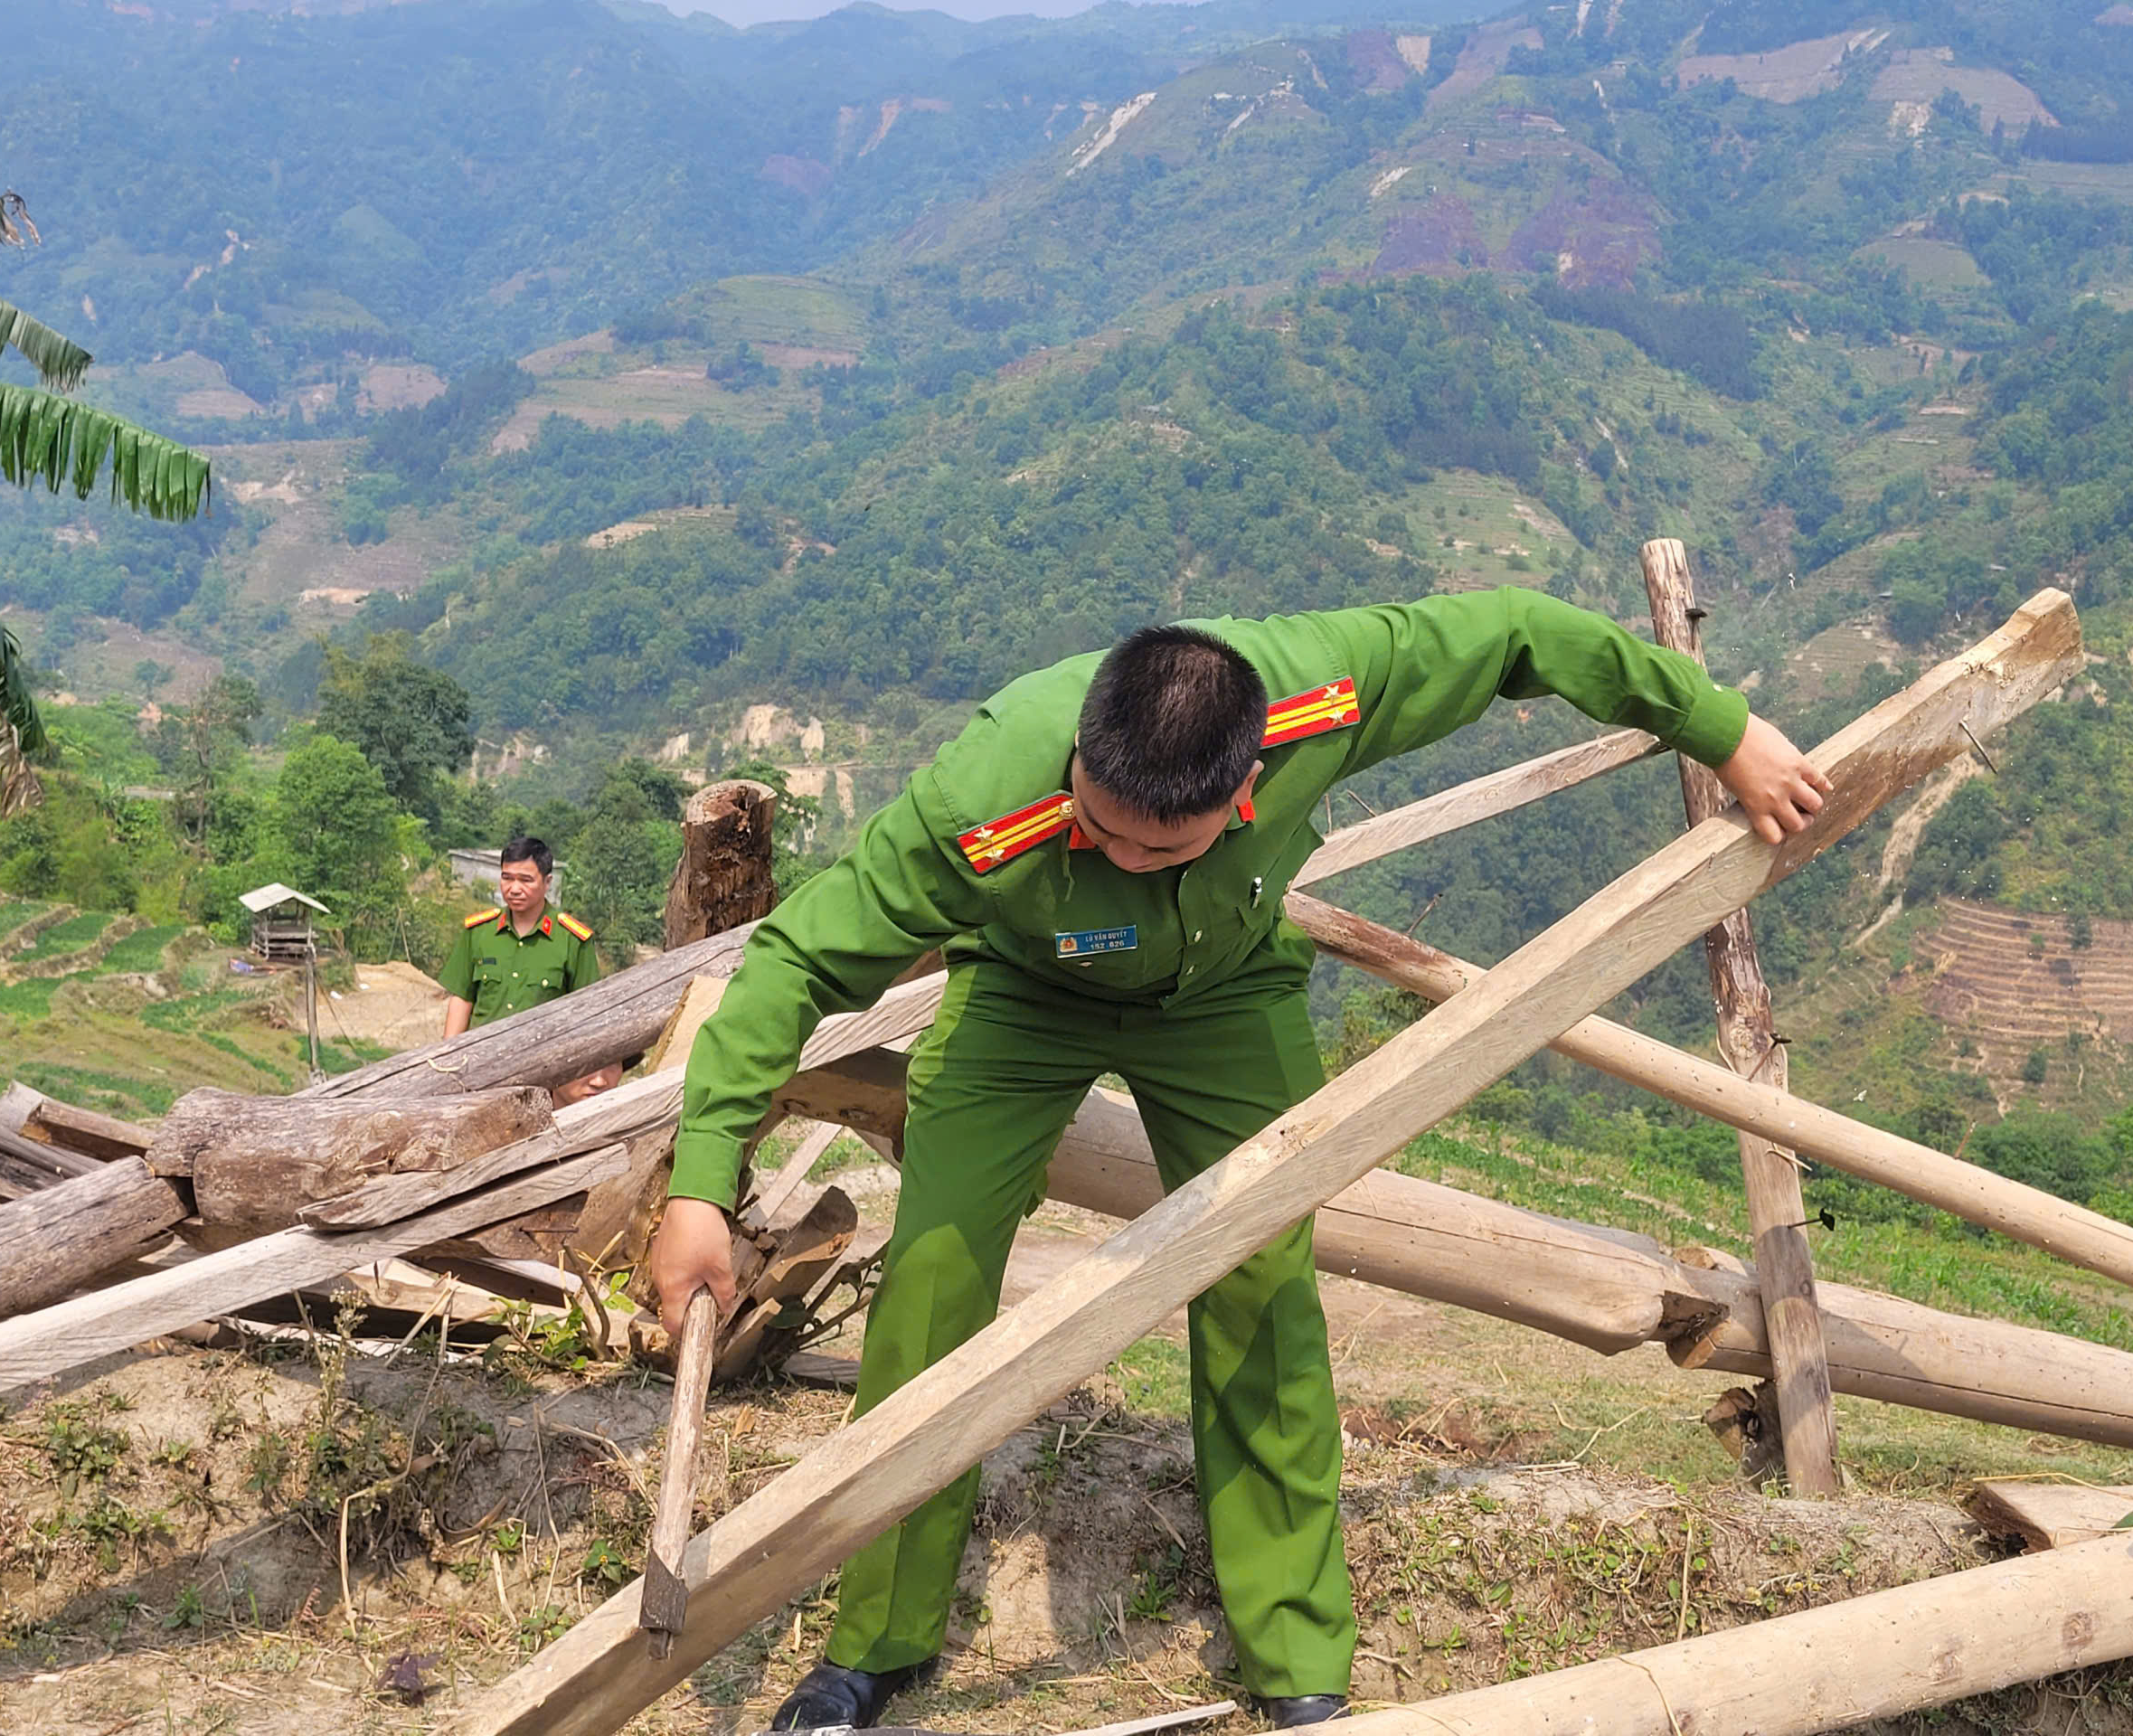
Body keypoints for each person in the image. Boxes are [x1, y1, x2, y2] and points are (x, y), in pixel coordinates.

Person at [651, 589, 1830, 1730]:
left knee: (1263, 1294)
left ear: (1250, 782)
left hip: (1227, 997)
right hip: (1022, 1000)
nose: (1115, 851)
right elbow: (798, 961)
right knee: (930, 1294)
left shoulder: (1325, 690)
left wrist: (1724, 732)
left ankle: (1295, 1647)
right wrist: (703, 1182)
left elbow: (1524, 629)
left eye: (1158, 845)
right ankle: (876, 1646)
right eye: (1095, 822)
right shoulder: (986, 787)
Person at [438, 836, 619, 1105]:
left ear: (547, 883)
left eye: (526, 880)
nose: (514, 888)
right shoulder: (478, 933)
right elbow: (462, 998)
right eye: (507, 878)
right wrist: (447, 1065)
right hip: (480, 1071)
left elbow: (585, 1014)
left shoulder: (572, 940)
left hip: (542, 1076)